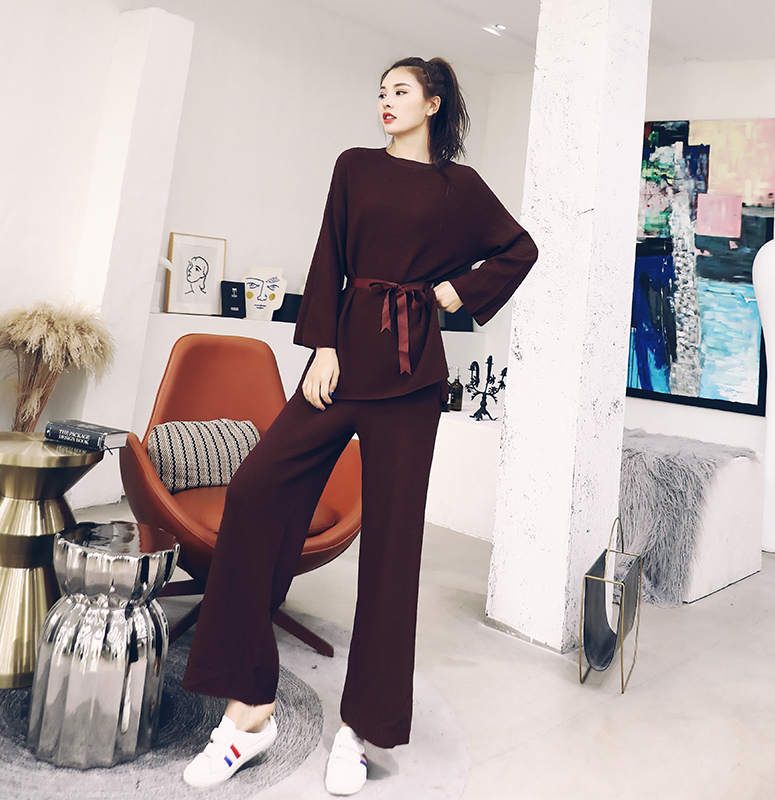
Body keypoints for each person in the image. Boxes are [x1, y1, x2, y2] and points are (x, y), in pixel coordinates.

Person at [181, 55, 538, 795]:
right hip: (342, 366)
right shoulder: (354, 167)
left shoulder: (460, 188)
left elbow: (520, 248)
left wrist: (459, 291)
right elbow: (329, 256)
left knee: (392, 554)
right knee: (254, 490)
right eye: (380, 91)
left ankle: (360, 731)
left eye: (400, 90)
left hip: (411, 379)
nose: (386, 101)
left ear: (433, 103)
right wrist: (323, 345)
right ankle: (248, 710)